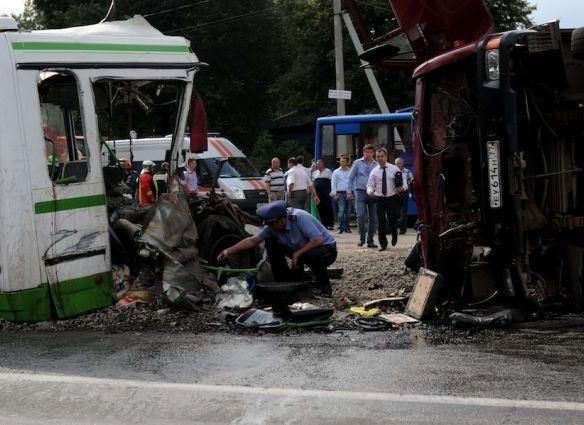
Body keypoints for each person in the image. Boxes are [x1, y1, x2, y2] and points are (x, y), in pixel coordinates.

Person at [217, 201, 337, 296]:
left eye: (273, 224)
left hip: (326, 249)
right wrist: (228, 251)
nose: (271, 227)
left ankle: (325, 287)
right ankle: (284, 281)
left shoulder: (299, 217)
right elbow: (253, 241)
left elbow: (318, 240)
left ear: (282, 219)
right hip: (301, 251)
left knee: (311, 255)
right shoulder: (272, 227)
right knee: (271, 242)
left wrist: (297, 254)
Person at [367, 148, 407, 251]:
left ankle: (394, 234)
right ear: (376, 158)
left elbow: (403, 182)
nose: (380, 158)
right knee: (380, 222)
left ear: (386, 156)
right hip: (380, 198)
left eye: (382, 156)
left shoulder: (394, 169)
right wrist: (370, 191)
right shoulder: (374, 172)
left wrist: (402, 188)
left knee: (393, 219)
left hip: (392, 197)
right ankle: (383, 244)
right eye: (378, 157)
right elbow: (370, 185)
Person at [347, 144, 378, 248]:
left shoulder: (376, 164)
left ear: (373, 153)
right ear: (363, 152)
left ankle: (370, 240)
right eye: (367, 152)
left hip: (373, 193)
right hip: (360, 192)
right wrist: (349, 191)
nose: (368, 154)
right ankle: (362, 238)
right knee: (360, 215)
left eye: (370, 152)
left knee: (373, 218)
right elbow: (350, 178)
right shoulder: (357, 163)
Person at [330, 155, 352, 234]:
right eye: (341, 161)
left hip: (349, 192)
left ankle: (347, 227)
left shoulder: (351, 171)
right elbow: (333, 183)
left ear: (347, 162)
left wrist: (351, 192)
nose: (342, 163)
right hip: (340, 193)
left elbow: (352, 182)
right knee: (341, 210)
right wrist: (334, 194)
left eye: (343, 161)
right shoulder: (336, 172)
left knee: (348, 211)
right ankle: (341, 227)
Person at [313, 159, 334, 229]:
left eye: (319, 164)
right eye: (317, 164)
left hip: (326, 193)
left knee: (328, 208)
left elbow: (332, 182)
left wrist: (332, 191)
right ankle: (323, 224)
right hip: (318, 194)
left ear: (322, 164)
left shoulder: (328, 171)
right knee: (319, 208)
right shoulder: (315, 173)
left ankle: (330, 224)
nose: (317, 165)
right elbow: (313, 183)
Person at [395, 157, 414, 234]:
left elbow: (412, 180)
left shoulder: (407, 171)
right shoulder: (392, 171)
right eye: (397, 163)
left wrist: (406, 187)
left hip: (404, 193)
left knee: (404, 212)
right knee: (395, 212)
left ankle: (402, 230)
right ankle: (394, 229)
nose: (398, 165)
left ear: (403, 164)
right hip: (394, 193)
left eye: (399, 163)